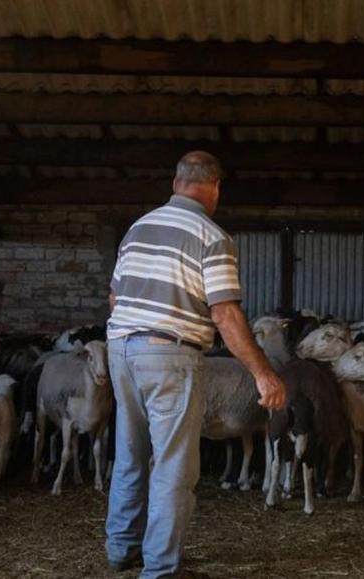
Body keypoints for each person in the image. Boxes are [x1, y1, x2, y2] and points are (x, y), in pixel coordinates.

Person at [104, 151, 286, 578]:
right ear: (216, 187)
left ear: (176, 182)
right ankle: (161, 569)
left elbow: (114, 299)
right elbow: (225, 314)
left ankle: (120, 550)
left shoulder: (137, 228)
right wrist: (263, 374)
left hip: (120, 349)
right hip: (168, 355)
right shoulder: (211, 235)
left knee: (131, 454)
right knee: (173, 465)